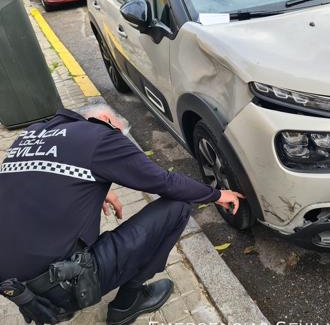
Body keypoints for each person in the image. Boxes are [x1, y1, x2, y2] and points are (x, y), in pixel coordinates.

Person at [0, 103, 244, 325]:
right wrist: (216, 195)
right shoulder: (99, 137)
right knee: (177, 206)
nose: (120, 142)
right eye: (119, 134)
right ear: (106, 119)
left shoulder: (32, 134)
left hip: (20, 291)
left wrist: (97, 191)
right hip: (64, 286)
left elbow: (36, 185)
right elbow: (164, 181)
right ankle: (128, 303)